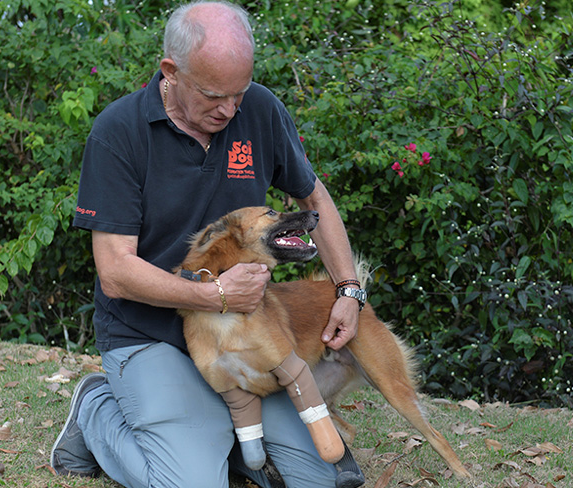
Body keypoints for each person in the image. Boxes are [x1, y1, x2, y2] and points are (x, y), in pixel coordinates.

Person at [50, 1, 366, 487]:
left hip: (243, 330)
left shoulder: (260, 109)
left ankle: (229, 442)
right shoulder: (119, 132)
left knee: (319, 480)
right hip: (148, 334)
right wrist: (211, 296)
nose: (229, 109)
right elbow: (114, 270)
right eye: (214, 94)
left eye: (238, 94)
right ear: (170, 72)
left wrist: (348, 289)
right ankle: (96, 410)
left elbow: (310, 196)